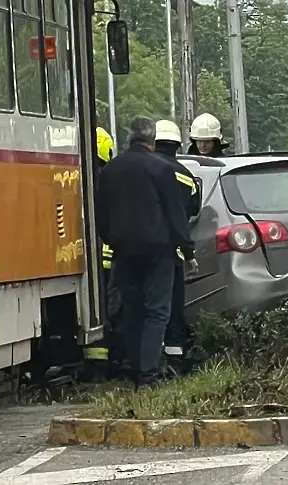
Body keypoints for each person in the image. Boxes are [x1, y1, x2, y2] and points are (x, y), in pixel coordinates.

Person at [95, 116, 196, 388]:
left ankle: (133, 368)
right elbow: (175, 213)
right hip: (159, 252)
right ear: (152, 140)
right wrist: (187, 251)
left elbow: (100, 215)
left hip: (124, 251)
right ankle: (147, 376)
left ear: (130, 138)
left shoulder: (111, 170)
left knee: (132, 311)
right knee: (156, 312)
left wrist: (112, 239)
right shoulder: (161, 169)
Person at [154, 120, 201, 370]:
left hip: (136, 251)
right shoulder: (187, 177)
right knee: (171, 308)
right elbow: (192, 212)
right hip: (172, 253)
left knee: (147, 308)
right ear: (177, 145)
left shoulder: (144, 170)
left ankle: (145, 362)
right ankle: (174, 361)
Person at [83, 127, 116, 377]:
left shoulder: (78, 176)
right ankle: (105, 366)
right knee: (109, 310)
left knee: (95, 310)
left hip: (86, 260)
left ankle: (95, 366)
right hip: (109, 259)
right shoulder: (108, 180)